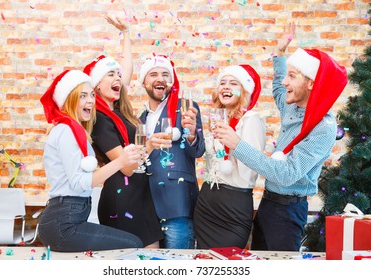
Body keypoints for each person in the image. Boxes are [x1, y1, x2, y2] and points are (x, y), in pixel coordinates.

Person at [214, 22, 348, 251]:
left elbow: (286, 175)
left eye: (292, 76)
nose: (285, 81)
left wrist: (238, 145)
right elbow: (278, 88)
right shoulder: (293, 107)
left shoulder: (322, 128)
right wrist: (280, 52)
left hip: (288, 212)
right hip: (268, 204)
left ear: (311, 84)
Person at [39, 69, 144, 252]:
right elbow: (79, 183)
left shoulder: (74, 131)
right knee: (133, 244)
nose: (90, 100)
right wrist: (121, 161)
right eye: (83, 96)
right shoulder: (66, 131)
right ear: (69, 100)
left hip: (66, 219)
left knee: (132, 243)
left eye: (92, 95)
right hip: (63, 225)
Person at [83, 15, 163, 248]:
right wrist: (150, 143)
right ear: (96, 85)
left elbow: (126, 68)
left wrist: (126, 33)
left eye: (118, 75)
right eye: (111, 75)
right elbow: (127, 167)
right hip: (123, 198)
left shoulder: (117, 109)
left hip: (141, 193)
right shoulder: (99, 120)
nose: (118, 78)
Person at [193, 64, 266, 249]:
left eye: (233, 83)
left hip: (233, 205)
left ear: (244, 91)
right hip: (207, 201)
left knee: (228, 261)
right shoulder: (217, 119)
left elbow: (253, 165)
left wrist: (234, 144)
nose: (226, 86)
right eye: (222, 83)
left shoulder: (251, 119)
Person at [138, 55, 205, 249]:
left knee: (178, 265)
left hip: (178, 204)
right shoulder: (141, 118)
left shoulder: (184, 108)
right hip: (147, 207)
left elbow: (199, 150)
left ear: (171, 82)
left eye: (165, 74)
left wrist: (191, 134)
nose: (160, 78)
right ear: (144, 82)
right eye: (153, 74)